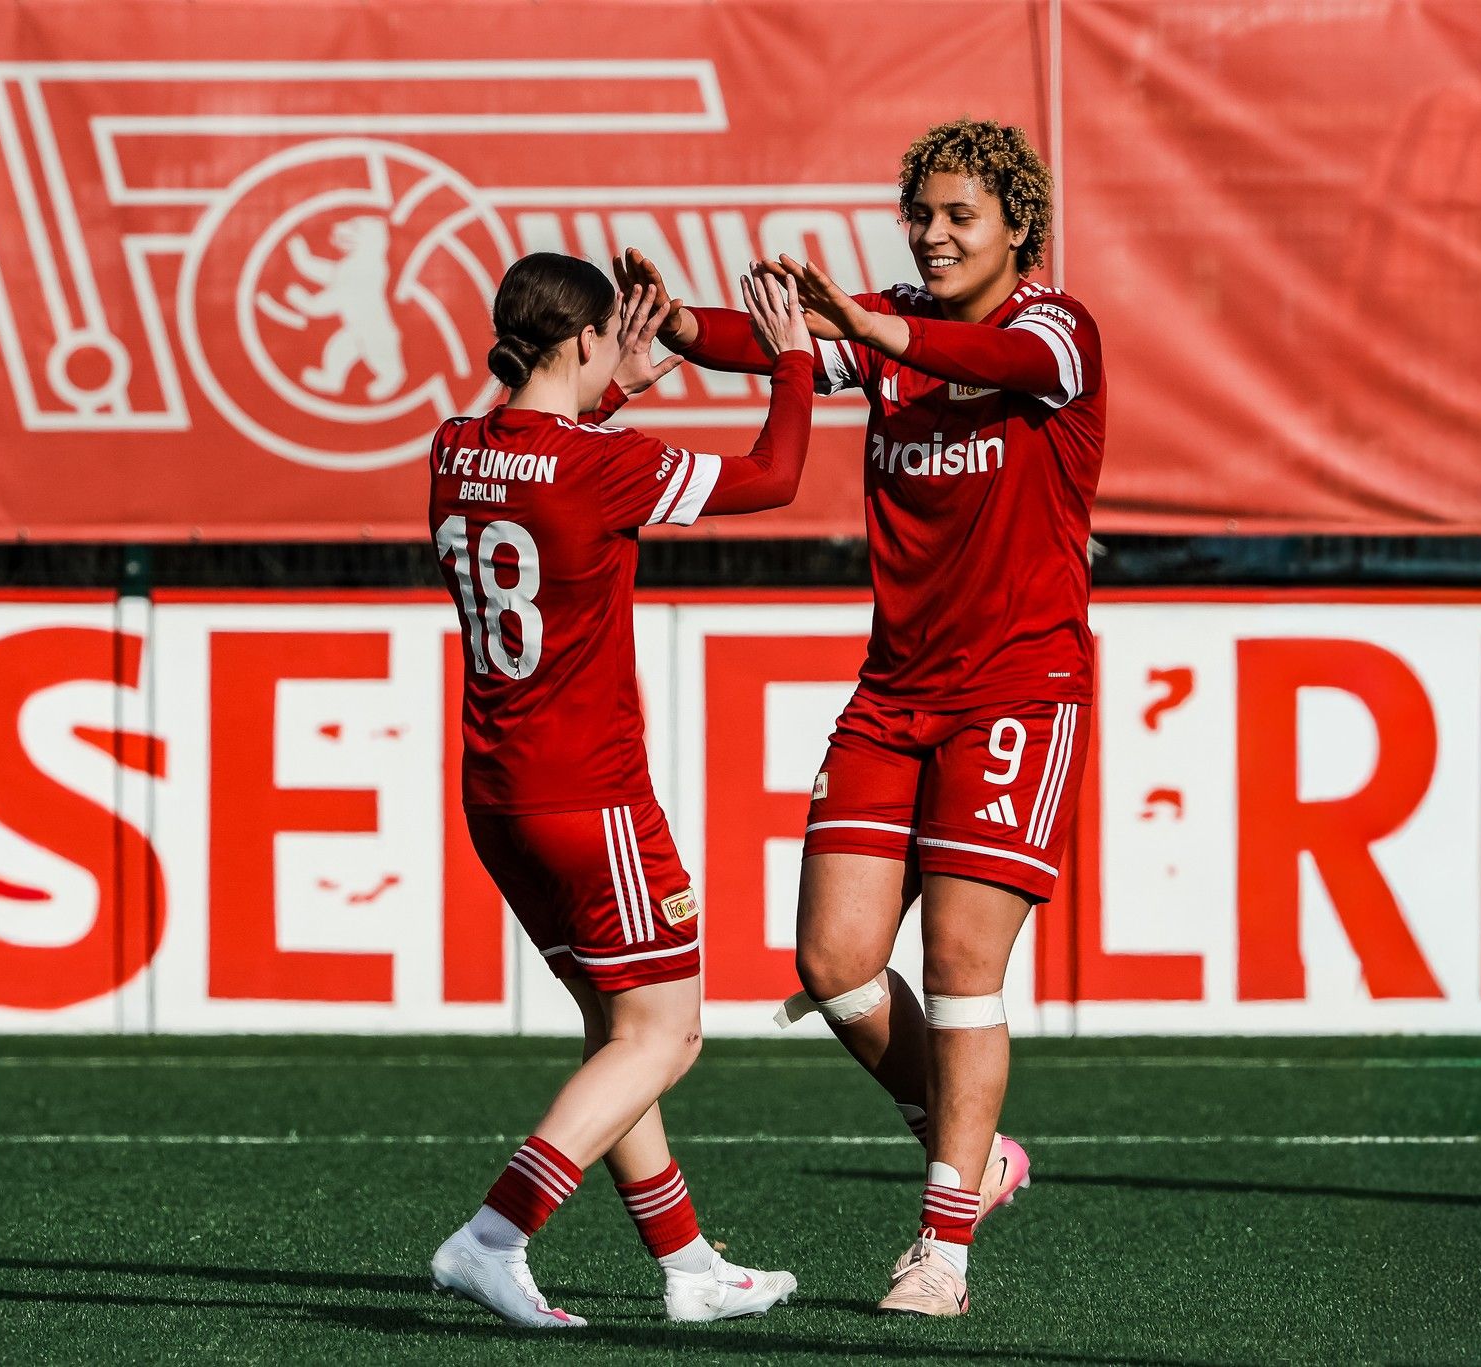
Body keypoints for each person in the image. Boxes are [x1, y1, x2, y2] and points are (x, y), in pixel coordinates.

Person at [619, 116, 1103, 1317]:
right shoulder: (889, 329)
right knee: (834, 963)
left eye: (958, 216)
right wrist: (674, 326)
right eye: (920, 214)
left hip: (1017, 690)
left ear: (1018, 227)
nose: (932, 234)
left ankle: (942, 1249)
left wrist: (867, 327)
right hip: (893, 695)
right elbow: (768, 341)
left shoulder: (1056, 330)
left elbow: (979, 354)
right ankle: (971, 1150)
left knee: (960, 968)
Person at [426, 251, 817, 1329]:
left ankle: (689, 1265)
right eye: (610, 339)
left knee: (618, 1031)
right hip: (589, 796)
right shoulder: (602, 465)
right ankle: (493, 1234)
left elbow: (533, 456)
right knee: (666, 1036)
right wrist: (790, 362)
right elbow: (775, 475)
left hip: (498, 793)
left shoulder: (453, 446)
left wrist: (609, 393)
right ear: (589, 338)